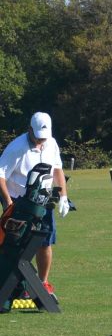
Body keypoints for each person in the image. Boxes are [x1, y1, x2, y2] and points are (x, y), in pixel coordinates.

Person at [0, 112, 70, 295]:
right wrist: (8, 202)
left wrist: (63, 197)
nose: (41, 141)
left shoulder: (51, 143)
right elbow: (1, 176)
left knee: (45, 242)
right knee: (18, 245)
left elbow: (57, 170)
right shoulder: (16, 148)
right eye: (37, 136)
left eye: (43, 137)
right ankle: (17, 286)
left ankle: (42, 283)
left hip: (44, 201)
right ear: (29, 129)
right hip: (19, 203)